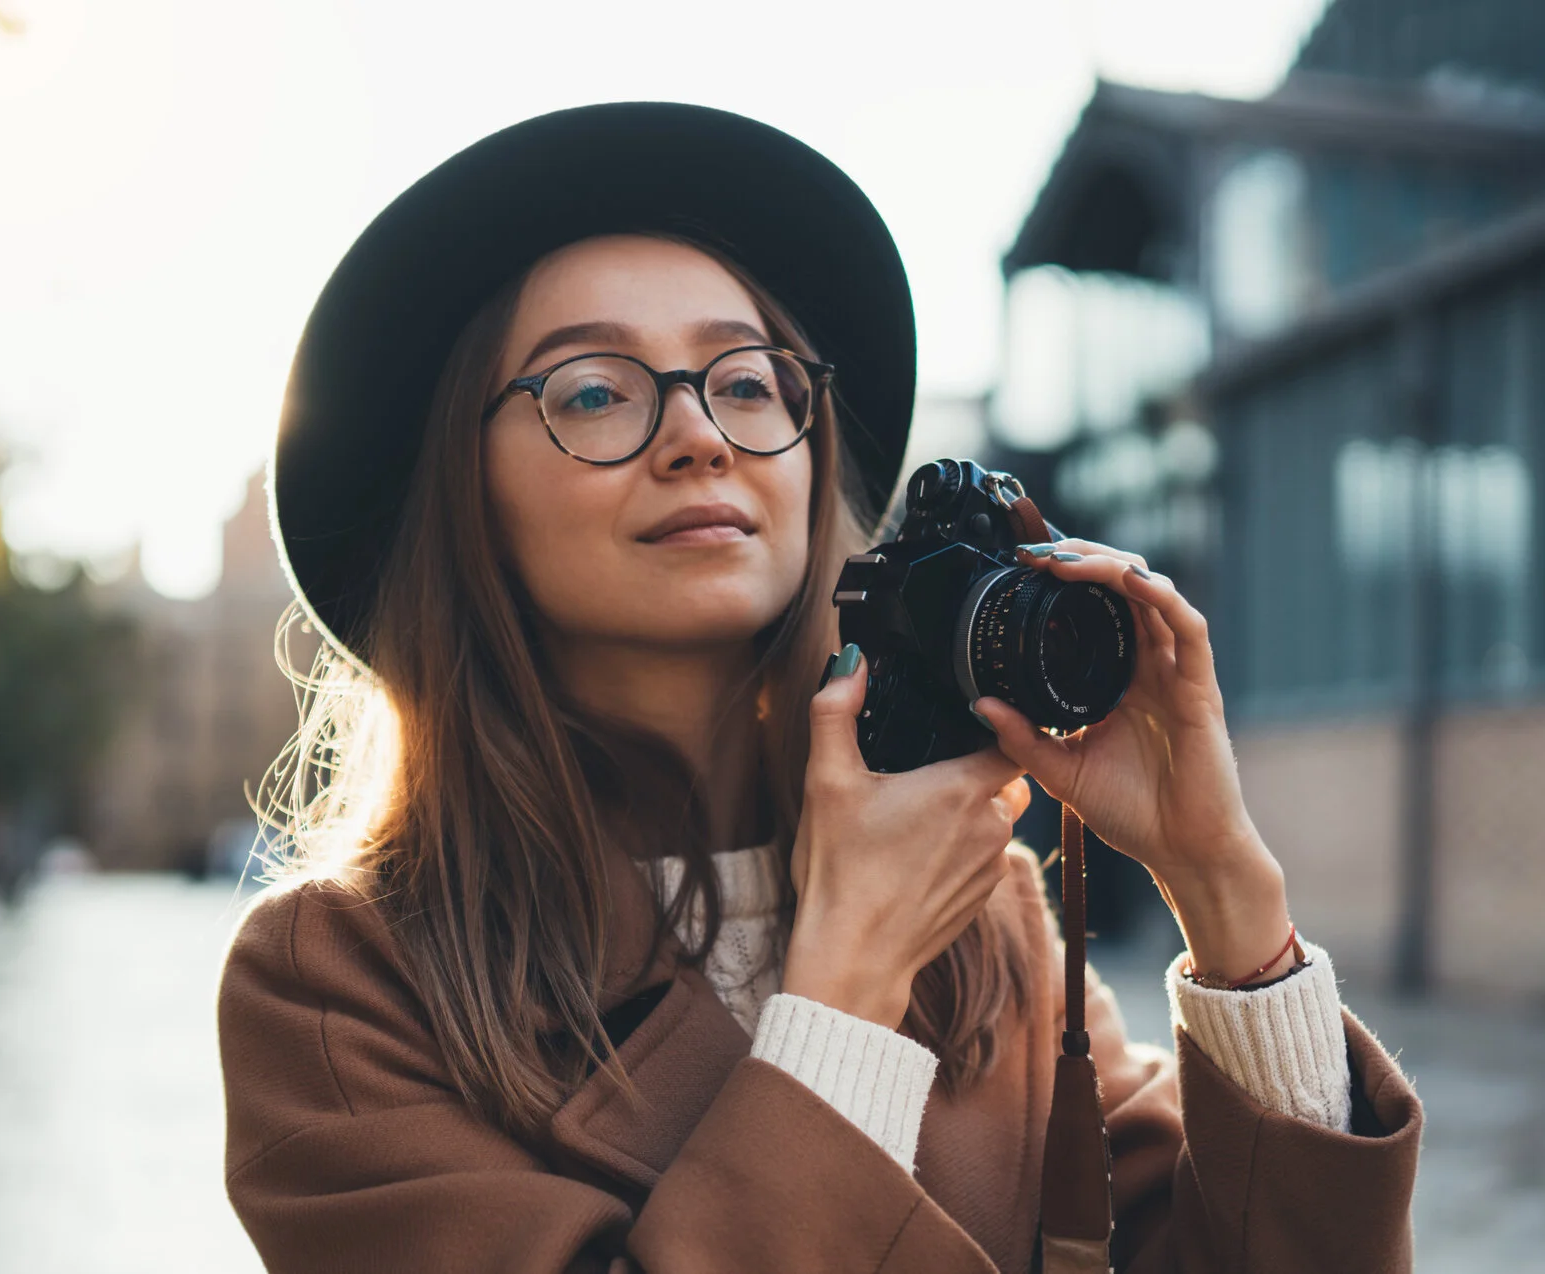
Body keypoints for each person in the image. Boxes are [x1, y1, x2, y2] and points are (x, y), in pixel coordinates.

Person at [217, 103, 1419, 1273]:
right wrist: (845, 988)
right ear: (462, 502)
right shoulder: (340, 980)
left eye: (745, 382)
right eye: (593, 390)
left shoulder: (985, 906)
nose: (701, 437)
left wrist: (1222, 885)